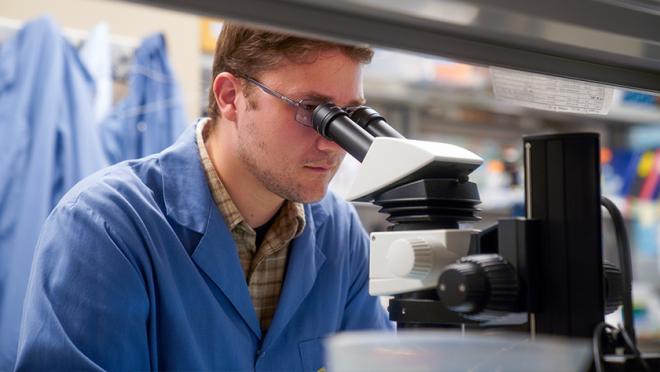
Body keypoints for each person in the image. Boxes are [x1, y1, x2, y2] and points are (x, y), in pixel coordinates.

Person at [14, 22, 392, 371]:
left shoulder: (340, 236)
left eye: (349, 115)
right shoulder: (106, 228)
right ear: (230, 96)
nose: (333, 143)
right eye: (312, 110)